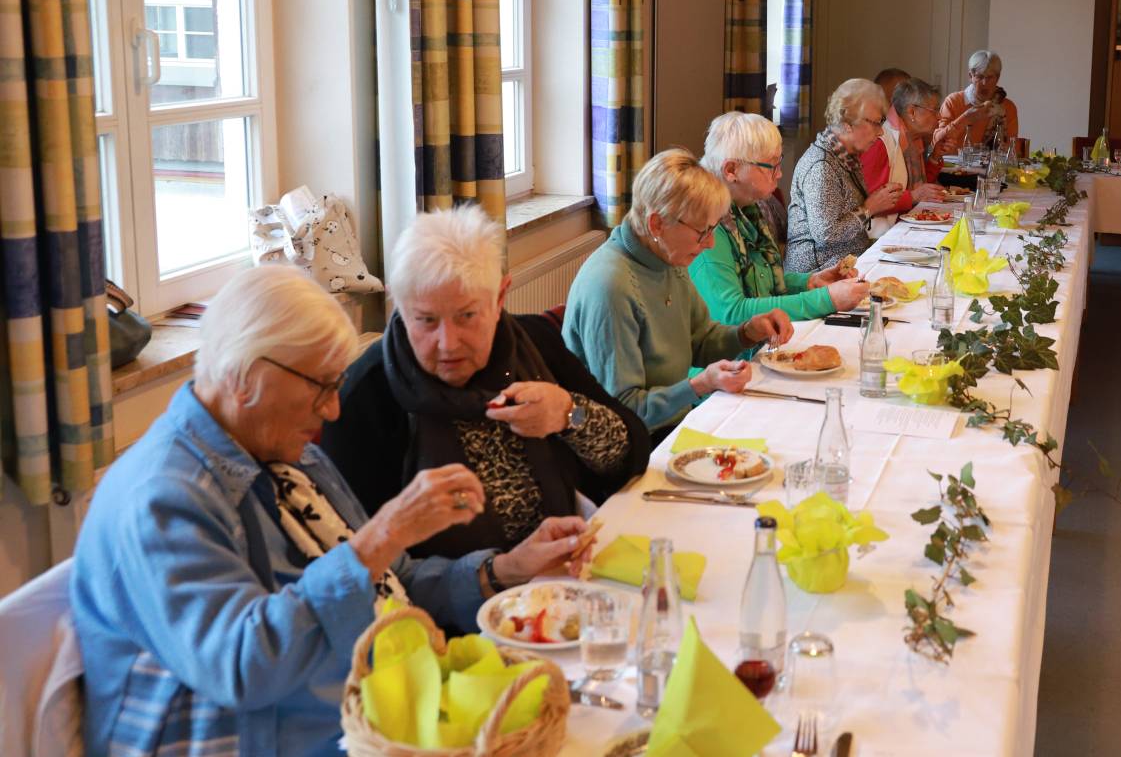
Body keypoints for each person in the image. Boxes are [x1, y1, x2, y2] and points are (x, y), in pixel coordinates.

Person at [72, 266, 589, 757]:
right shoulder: (163, 497)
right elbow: (241, 667)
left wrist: (506, 568)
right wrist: (381, 535)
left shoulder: (289, 458)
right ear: (247, 376)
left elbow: (394, 582)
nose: (333, 409)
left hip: (359, 717)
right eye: (322, 385)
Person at [324, 207, 651, 559]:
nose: (448, 343)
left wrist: (569, 415)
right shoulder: (365, 399)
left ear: (499, 298)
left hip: (565, 573)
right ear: (399, 307)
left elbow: (631, 454)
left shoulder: (535, 344)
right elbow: (364, 566)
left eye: (466, 316)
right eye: (426, 320)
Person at [564, 148, 794, 431]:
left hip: (674, 423)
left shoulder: (665, 256)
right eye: (703, 232)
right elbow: (622, 411)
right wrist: (699, 384)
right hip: (634, 446)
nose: (710, 244)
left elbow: (699, 341)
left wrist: (748, 332)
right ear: (657, 224)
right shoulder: (610, 287)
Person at [690, 111, 869, 324]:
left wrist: (809, 282)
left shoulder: (745, 208)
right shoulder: (707, 225)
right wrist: (826, 299)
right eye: (771, 166)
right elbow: (733, 312)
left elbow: (760, 278)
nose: (779, 174)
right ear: (731, 170)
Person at [786, 78, 903, 271]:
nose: (881, 132)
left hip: (846, 261)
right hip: (818, 273)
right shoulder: (822, 166)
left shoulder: (845, 157)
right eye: (875, 123)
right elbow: (825, 235)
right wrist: (869, 208)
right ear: (848, 123)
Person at [861, 76, 951, 233]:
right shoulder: (881, 143)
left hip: (909, 223)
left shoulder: (914, 140)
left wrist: (935, 157)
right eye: (935, 109)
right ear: (912, 112)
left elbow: (920, 187)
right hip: (883, 234)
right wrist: (914, 196)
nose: (939, 116)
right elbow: (871, 201)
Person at [934, 50, 1019, 156]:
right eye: (980, 77)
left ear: (997, 78)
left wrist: (1006, 149)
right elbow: (937, 142)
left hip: (991, 168)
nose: (984, 83)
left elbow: (1012, 147)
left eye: (989, 77)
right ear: (971, 76)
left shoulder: (1007, 107)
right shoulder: (953, 101)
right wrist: (966, 118)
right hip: (953, 169)